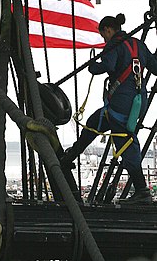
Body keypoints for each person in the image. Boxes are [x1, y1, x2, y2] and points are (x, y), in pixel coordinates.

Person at [60, 13, 157, 204]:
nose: (104, 39)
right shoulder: (139, 45)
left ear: (108, 30)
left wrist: (92, 67)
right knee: (94, 122)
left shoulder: (114, 45)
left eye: (103, 35)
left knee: (125, 142)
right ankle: (72, 154)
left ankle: (141, 190)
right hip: (138, 103)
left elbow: (107, 65)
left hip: (121, 103)